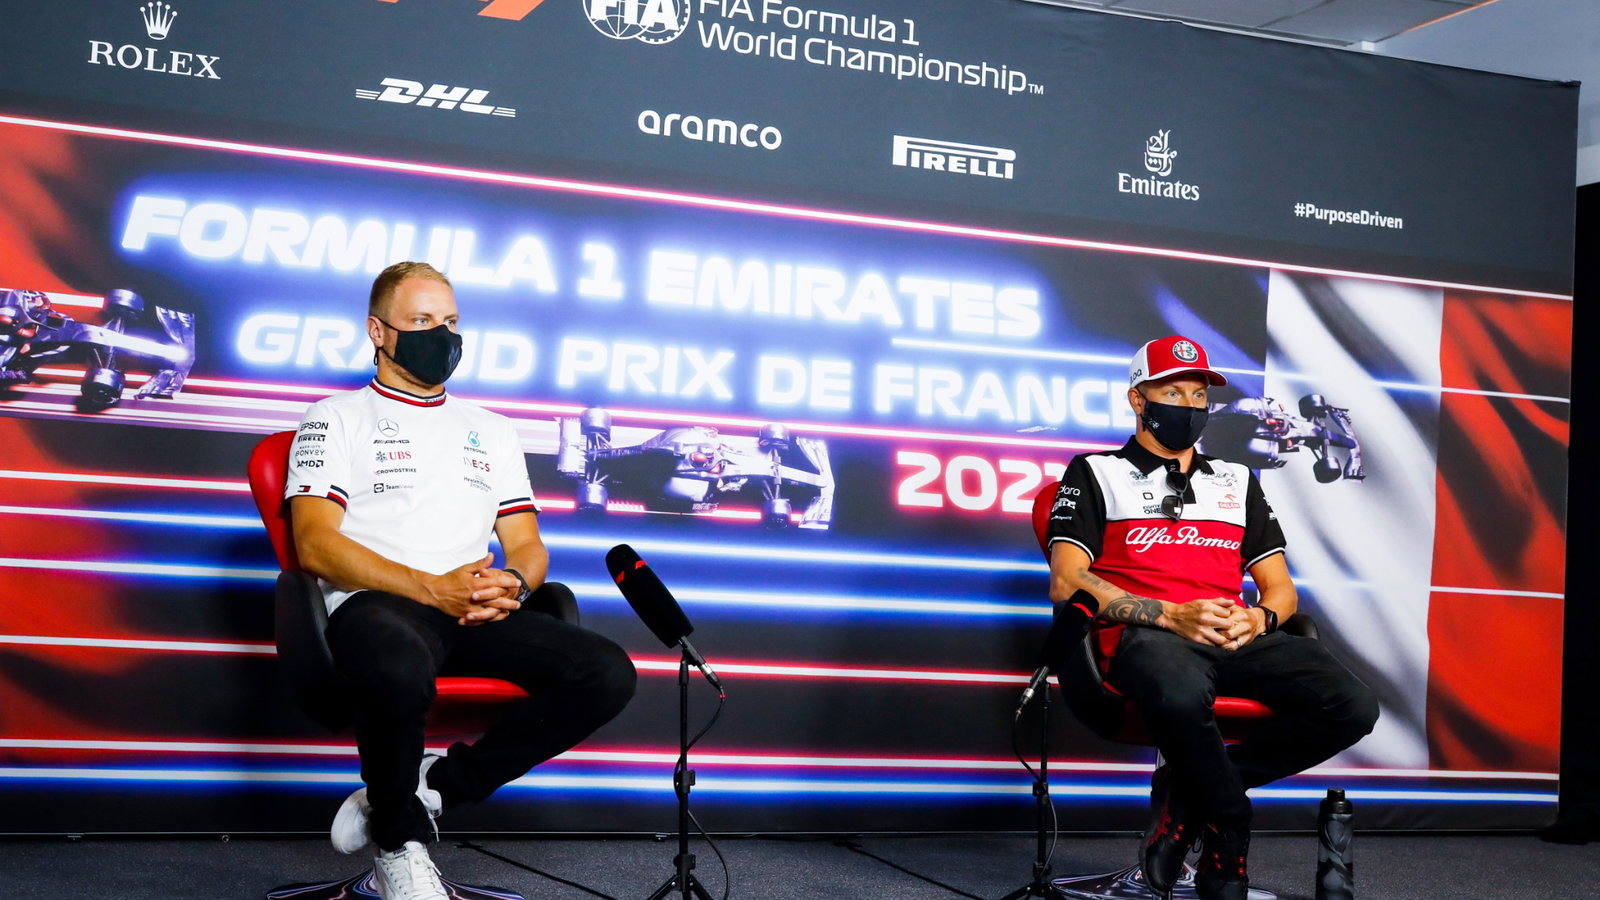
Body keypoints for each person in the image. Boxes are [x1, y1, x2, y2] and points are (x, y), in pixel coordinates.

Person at [285, 261, 637, 900]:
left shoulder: (493, 430)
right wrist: (428, 587)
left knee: (607, 672)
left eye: (450, 322)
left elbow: (526, 545)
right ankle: (397, 840)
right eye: (421, 321)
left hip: (472, 608)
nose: (441, 336)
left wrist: (515, 587)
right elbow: (313, 543)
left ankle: (437, 787)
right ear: (379, 331)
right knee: (393, 659)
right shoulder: (334, 417)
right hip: (378, 605)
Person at [1044, 335, 1378, 900]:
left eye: (1198, 396)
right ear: (1138, 400)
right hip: (1148, 634)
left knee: (1353, 707)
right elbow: (1068, 579)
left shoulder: (1237, 480)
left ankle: (1187, 793)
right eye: (1172, 392)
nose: (1189, 406)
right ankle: (1229, 827)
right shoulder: (1094, 473)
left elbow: (1280, 589)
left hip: (1233, 633)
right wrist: (1172, 616)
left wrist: (1260, 621)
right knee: (1176, 694)